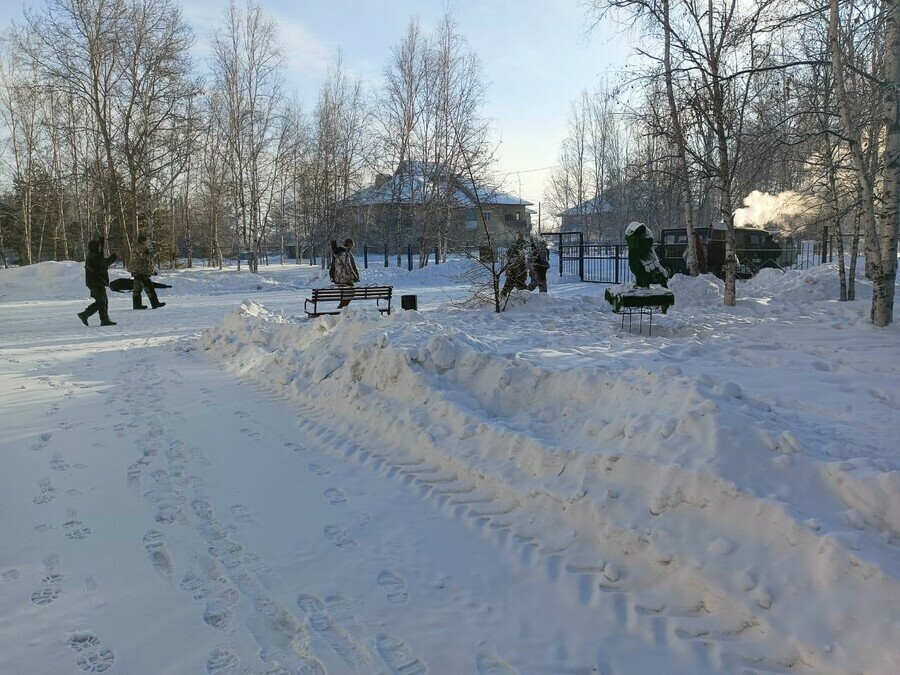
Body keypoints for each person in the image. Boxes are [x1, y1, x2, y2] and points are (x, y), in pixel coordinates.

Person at [77, 237, 118, 326]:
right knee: (101, 301)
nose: (99, 248)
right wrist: (113, 258)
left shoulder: (94, 254)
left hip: (96, 281)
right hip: (95, 282)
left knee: (104, 301)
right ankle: (85, 314)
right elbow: (104, 263)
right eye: (98, 246)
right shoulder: (94, 255)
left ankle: (105, 319)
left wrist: (101, 243)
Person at [129, 235, 166, 309]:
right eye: (146, 241)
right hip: (141, 271)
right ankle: (155, 303)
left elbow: (147, 254)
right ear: (143, 241)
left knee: (137, 289)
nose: (147, 243)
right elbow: (148, 256)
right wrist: (157, 250)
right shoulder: (140, 247)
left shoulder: (137, 247)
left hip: (137, 271)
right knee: (150, 287)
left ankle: (137, 305)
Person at [330, 238, 360, 308]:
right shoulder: (344, 253)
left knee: (344, 295)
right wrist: (354, 276)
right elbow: (348, 266)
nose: (351, 247)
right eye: (351, 245)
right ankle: (340, 309)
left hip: (337, 278)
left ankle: (341, 311)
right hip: (345, 278)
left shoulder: (339, 251)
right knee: (351, 293)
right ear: (348, 245)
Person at [501, 232, 528, 297]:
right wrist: (518, 273)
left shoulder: (520, 251)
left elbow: (521, 263)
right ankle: (501, 300)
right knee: (520, 288)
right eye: (523, 245)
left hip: (517, 274)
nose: (523, 247)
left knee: (510, 287)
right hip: (514, 274)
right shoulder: (515, 250)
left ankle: (502, 298)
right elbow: (513, 263)